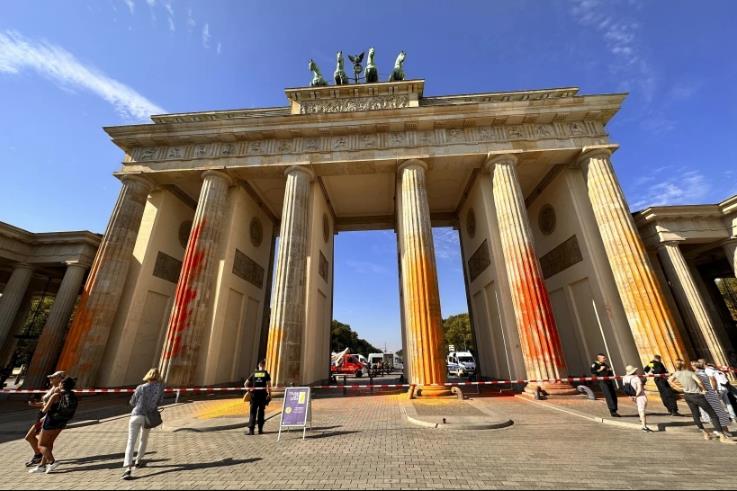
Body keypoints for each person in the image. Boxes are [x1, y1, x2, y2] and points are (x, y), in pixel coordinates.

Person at [668, 359, 734, 444]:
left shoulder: (676, 373)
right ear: (684, 364)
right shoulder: (690, 373)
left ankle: (705, 433)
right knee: (713, 415)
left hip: (687, 395)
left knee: (695, 415)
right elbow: (699, 382)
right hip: (697, 395)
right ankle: (722, 436)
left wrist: (679, 388)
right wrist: (704, 389)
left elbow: (669, 380)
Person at [28, 376, 78, 474]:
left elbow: (44, 410)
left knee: (41, 445)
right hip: (62, 422)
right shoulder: (71, 395)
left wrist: (39, 413)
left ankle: (52, 462)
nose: (58, 385)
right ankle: (42, 466)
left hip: (50, 422)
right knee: (49, 444)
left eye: (60, 383)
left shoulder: (56, 395)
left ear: (62, 385)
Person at [122, 368, 165, 480]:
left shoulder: (140, 387)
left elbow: (132, 402)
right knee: (144, 439)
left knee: (131, 442)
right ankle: (138, 460)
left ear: (148, 376)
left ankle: (127, 469)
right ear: (158, 376)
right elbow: (160, 401)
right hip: (149, 417)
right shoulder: (160, 388)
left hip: (136, 415)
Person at [24, 370, 64, 468]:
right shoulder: (52, 388)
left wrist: (46, 416)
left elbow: (55, 406)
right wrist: (36, 404)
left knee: (30, 437)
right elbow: (47, 403)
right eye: (50, 377)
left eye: (53, 377)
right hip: (42, 415)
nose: (50, 379)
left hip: (46, 416)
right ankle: (41, 459)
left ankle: (43, 458)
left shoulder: (57, 390)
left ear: (60, 378)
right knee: (41, 440)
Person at [692, 360, 731, 431]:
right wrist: (714, 390)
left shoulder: (697, 374)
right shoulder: (704, 372)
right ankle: (725, 428)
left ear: (695, 366)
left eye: (692, 365)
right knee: (719, 409)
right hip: (711, 392)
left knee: (711, 411)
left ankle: (719, 429)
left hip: (706, 393)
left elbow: (709, 381)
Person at [245, 360, 271, 435]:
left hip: (254, 396)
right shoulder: (266, 374)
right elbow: (269, 385)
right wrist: (269, 395)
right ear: (264, 366)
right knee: (261, 412)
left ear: (258, 365)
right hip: (262, 396)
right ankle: (260, 429)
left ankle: (251, 430)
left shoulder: (254, 373)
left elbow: (245, 383)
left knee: (253, 412)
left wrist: (249, 391)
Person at [622, 365, 652, 432]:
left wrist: (630, 396)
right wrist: (636, 395)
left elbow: (624, 388)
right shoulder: (636, 378)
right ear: (634, 371)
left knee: (641, 407)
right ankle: (644, 426)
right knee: (642, 410)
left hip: (631, 395)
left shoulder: (625, 378)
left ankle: (642, 419)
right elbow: (639, 389)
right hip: (640, 396)